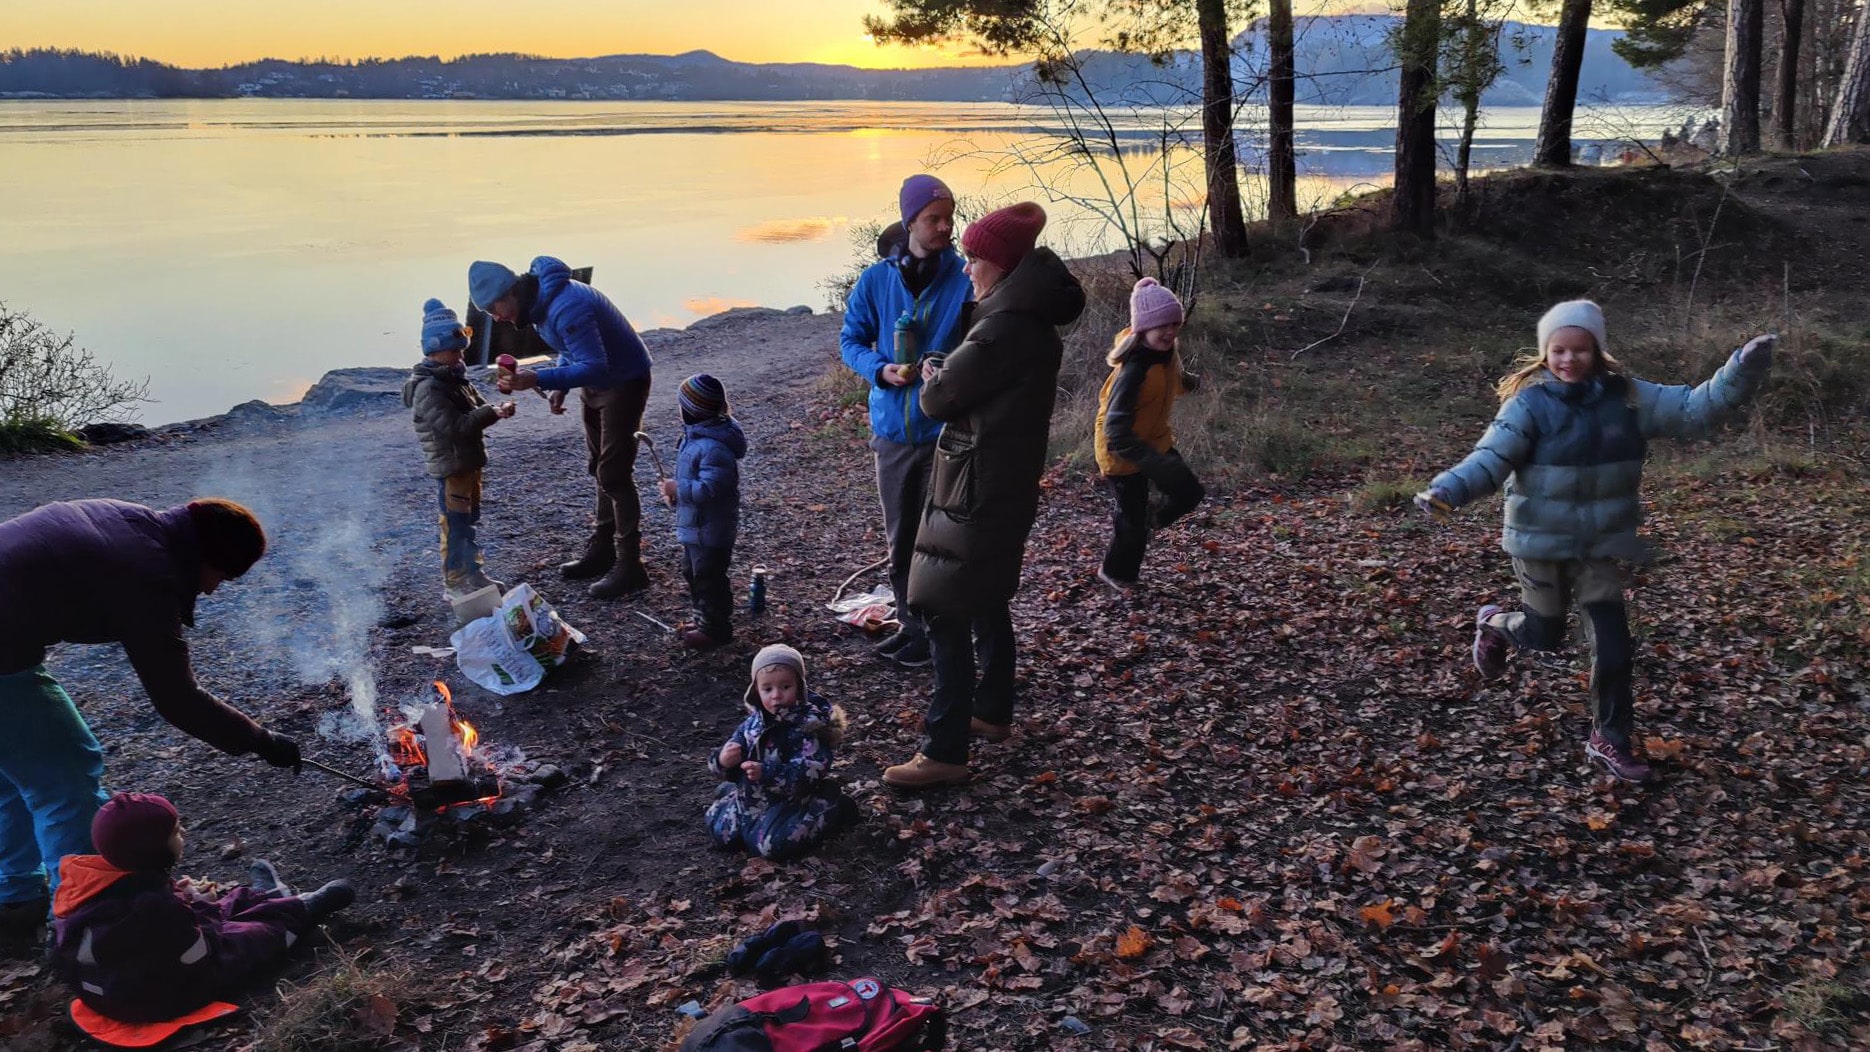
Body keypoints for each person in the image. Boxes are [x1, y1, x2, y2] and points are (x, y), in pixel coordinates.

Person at [1418, 301, 1776, 783]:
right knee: (1543, 634)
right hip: (1538, 542)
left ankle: (1610, 738)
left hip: (1598, 544)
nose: (1569, 360)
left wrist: (1740, 369)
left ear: (1598, 350)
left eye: (1580, 349)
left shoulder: (1629, 398)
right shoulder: (1529, 403)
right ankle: (1494, 624)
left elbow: (1696, 409)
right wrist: (1447, 491)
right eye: (1558, 351)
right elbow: (1488, 459)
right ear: (1545, 353)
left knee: (1613, 645)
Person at [0, 499, 302, 943]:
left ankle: (15, 895)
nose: (215, 590)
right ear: (206, 558)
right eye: (223, 576)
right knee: (66, 782)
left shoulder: (135, 520)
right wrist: (260, 739)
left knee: (16, 769)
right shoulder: (147, 574)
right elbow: (178, 698)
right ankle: (88, 922)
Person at [882, 202, 1086, 790]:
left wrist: (933, 375)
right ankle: (992, 712)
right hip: (1002, 481)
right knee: (987, 595)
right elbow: (984, 386)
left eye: (974, 259)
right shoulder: (1025, 321)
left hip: (976, 487)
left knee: (946, 608)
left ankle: (945, 749)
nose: (967, 268)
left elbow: (938, 402)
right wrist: (952, 368)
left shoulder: (1002, 327)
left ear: (1001, 265)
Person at [49, 793, 355, 1043]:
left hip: (110, 988)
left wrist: (188, 901)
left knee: (219, 904)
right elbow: (208, 941)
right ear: (153, 850)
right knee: (252, 935)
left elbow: (161, 928)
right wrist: (197, 905)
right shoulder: (155, 907)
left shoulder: (94, 881)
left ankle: (270, 896)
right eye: (175, 831)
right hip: (158, 996)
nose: (183, 834)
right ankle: (301, 910)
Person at [838, 174, 974, 668]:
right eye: (934, 218)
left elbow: (982, 347)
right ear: (910, 221)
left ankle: (942, 632)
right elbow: (849, 340)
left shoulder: (964, 279)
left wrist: (949, 368)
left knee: (940, 542)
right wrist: (880, 369)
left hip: (947, 435)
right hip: (893, 434)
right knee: (901, 540)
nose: (945, 228)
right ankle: (910, 625)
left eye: (949, 218)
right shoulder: (876, 281)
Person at [470, 256, 655, 600]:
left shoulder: (568, 305)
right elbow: (572, 349)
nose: (496, 318)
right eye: (488, 313)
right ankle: (603, 549)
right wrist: (561, 384)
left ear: (511, 291)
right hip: (600, 380)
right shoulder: (538, 304)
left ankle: (631, 567)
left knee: (614, 474)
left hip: (624, 380)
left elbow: (596, 365)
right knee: (599, 466)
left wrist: (539, 378)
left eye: (495, 308)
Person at [1093, 277, 1206, 592]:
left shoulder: (1166, 353)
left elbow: (1172, 377)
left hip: (1154, 440)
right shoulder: (1133, 370)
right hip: (1122, 453)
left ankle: (1150, 520)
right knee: (1131, 521)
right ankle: (1116, 572)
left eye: (1174, 323)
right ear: (1143, 328)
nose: (1170, 331)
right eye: (1162, 325)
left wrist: (1190, 382)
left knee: (1190, 492)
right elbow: (1116, 432)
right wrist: (1152, 462)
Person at [403, 297, 517, 597]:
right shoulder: (428, 388)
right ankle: (455, 582)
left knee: (470, 521)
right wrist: (492, 413)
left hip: (468, 462)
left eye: (461, 351)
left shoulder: (455, 377)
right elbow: (456, 427)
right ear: (434, 350)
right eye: (454, 351)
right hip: (451, 466)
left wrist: (496, 409)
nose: (459, 356)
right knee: (455, 525)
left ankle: (474, 572)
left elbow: (477, 408)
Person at [706, 646, 858, 861]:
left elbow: (810, 771)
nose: (776, 695)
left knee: (771, 847)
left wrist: (766, 772)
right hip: (751, 799)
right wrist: (722, 760)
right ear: (756, 691)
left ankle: (832, 806)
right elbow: (727, 752)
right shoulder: (753, 723)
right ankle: (731, 794)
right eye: (767, 689)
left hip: (791, 800)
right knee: (720, 831)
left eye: (785, 686)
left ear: (799, 688)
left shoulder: (808, 728)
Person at [658, 374, 746, 649]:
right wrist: (676, 497)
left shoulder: (713, 448)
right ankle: (704, 618)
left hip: (711, 530)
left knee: (709, 578)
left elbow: (711, 489)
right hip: (696, 527)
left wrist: (679, 488)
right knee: (693, 572)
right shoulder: (695, 438)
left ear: (689, 410)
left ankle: (716, 629)